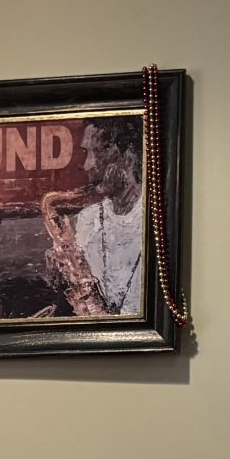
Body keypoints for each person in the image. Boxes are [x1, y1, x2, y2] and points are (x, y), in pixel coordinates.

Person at [64, 120, 146, 316]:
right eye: (86, 154)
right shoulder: (87, 219)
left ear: (128, 156)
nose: (87, 165)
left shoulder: (155, 217)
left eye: (97, 153)